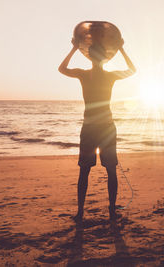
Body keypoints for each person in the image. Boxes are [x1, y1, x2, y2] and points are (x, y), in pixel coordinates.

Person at [58, 37, 136, 222]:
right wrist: (122, 49)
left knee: (85, 171)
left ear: (90, 57)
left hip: (91, 128)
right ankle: (110, 211)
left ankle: (80, 212)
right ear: (104, 58)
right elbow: (133, 70)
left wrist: (74, 48)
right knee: (110, 170)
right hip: (106, 127)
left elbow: (62, 69)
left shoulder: (84, 74)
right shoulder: (109, 76)